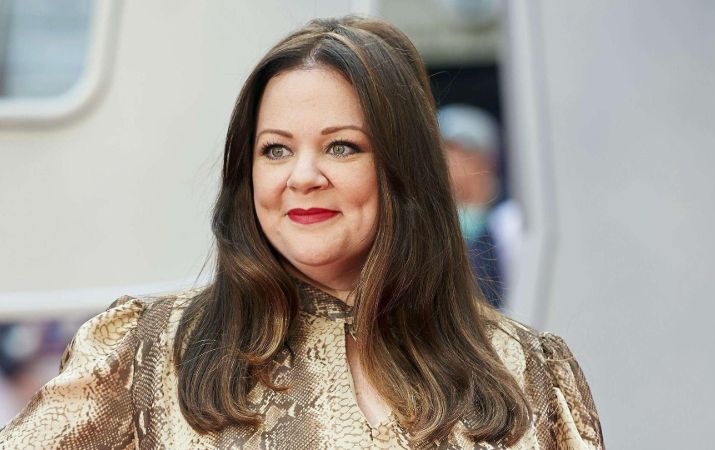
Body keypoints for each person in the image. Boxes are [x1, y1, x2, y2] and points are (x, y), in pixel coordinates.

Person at [0, 16, 603, 449]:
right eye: (275, 149)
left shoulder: (527, 371)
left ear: (406, 168)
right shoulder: (148, 355)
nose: (303, 176)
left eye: (341, 147)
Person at [438, 104, 524, 308]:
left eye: (459, 151)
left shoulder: (514, 222)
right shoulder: (429, 228)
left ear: (488, 159)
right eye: (441, 153)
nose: (449, 162)